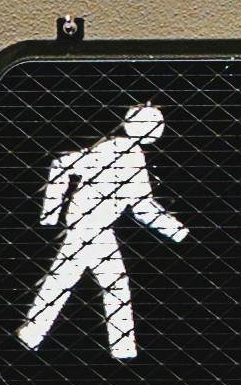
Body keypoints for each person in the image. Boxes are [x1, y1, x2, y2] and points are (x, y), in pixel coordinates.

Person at [20, 104, 187, 360]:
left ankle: (33, 335)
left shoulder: (117, 149)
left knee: (68, 281)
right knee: (107, 285)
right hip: (91, 226)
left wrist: (52, 214)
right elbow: (142, 205)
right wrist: (177, 231)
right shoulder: (124, 152)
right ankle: (122, 350)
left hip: (92, 225)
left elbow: (63, 164)